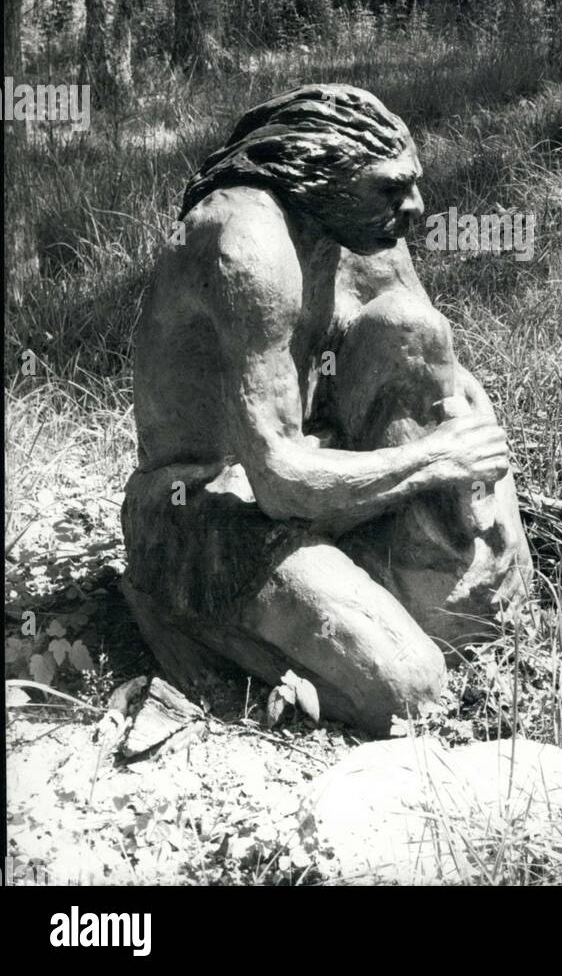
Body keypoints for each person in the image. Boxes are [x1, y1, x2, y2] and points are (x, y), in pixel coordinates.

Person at [121, 84, 531, 735]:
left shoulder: (358, 229)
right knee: (411, 689)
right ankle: (175, 611)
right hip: (213, 503)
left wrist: (478, 481)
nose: (416, 208)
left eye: (413, 184)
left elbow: (430, 355)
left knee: (404, 323)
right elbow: (278, 483)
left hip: (319, 455)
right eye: (391, 188)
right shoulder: (244, 250)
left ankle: (368, 572)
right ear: (320, 176)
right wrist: (438, 460)